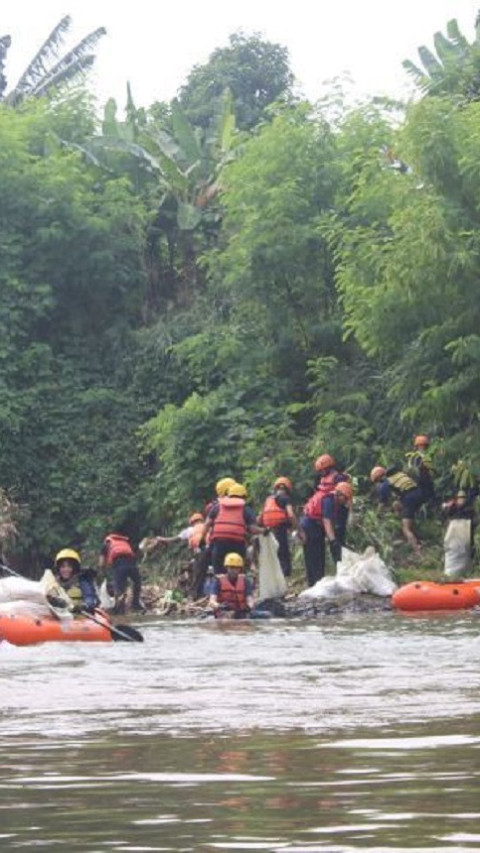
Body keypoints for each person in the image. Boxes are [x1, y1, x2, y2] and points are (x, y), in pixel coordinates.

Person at [202, 482, 266, 573]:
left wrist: (201, 540)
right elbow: (253, 529)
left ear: (229, 495)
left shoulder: (217, 507)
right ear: (244, 496)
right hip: (237, 544)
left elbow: (207, 524)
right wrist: (264, 531)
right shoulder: (246, 509)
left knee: (218, 572)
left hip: (219, 543)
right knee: (239, 569)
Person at [299, 481, 353, 587]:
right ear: (339, 494)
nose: (345, 501)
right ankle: (315, 584)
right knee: (315, 557)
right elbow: (326, 521)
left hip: (311, 526)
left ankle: (314, 583)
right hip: (311, 527)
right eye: (345, 498)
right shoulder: (328, 500)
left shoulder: (331, 499)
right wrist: (333, 541)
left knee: (316, 556)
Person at [370, 465, 425, 553]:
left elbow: (382, 503)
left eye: (377, 481)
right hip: (418, 493)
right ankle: (409, 537)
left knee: (406, 528)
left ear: (379, 478)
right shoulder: (398, 475)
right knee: (396, 505)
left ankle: (418, 552)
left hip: (409, 498)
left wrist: (377, 516)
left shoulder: (385, 484)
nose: (377, 484)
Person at [258, 476, 296, 577]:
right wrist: (295, 527)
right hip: (280, 529)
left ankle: (273, 575)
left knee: (273, 554)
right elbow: (291, 514)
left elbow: (260, 518)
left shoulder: (268, 499)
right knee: (283, 553)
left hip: (268, 531)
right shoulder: (286, 498)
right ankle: (285, 575)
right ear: (288, 489)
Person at [99, 529, 143, 614]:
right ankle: (135, 604)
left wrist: (103, 573)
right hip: (132, 563)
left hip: (119, 564)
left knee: (119, 589)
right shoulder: (124, 542)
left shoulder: (106, 543)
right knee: (137, 583)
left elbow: (101, 563)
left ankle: (120, 610)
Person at [50, 548, 99, 614]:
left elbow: (89, 597)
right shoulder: (54, 583)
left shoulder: (82, 581)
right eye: (62, 566)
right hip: (59, 616)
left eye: (69, 566)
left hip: (79, 617)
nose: (66, 570)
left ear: (74, 568)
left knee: (74, 592)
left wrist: (84, 606)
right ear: (58, 568)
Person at [208, 552, 255, 619]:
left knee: (266, 615)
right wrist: (220, 606)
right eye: (231, 568)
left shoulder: (245, 581)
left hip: (241, 612)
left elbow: (250, 599)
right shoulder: (218, 581)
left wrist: (249, 607)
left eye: (236, 568)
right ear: (227, 568)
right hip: (224, 613)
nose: (234, 570)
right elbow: (212, 601)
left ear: (240, 569)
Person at [405, 435, 435, 507]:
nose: (423, 447)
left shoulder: (416, 456)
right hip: (420, 481)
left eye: (424, 446)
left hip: (421, 481)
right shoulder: (417, 456)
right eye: (422, 446)